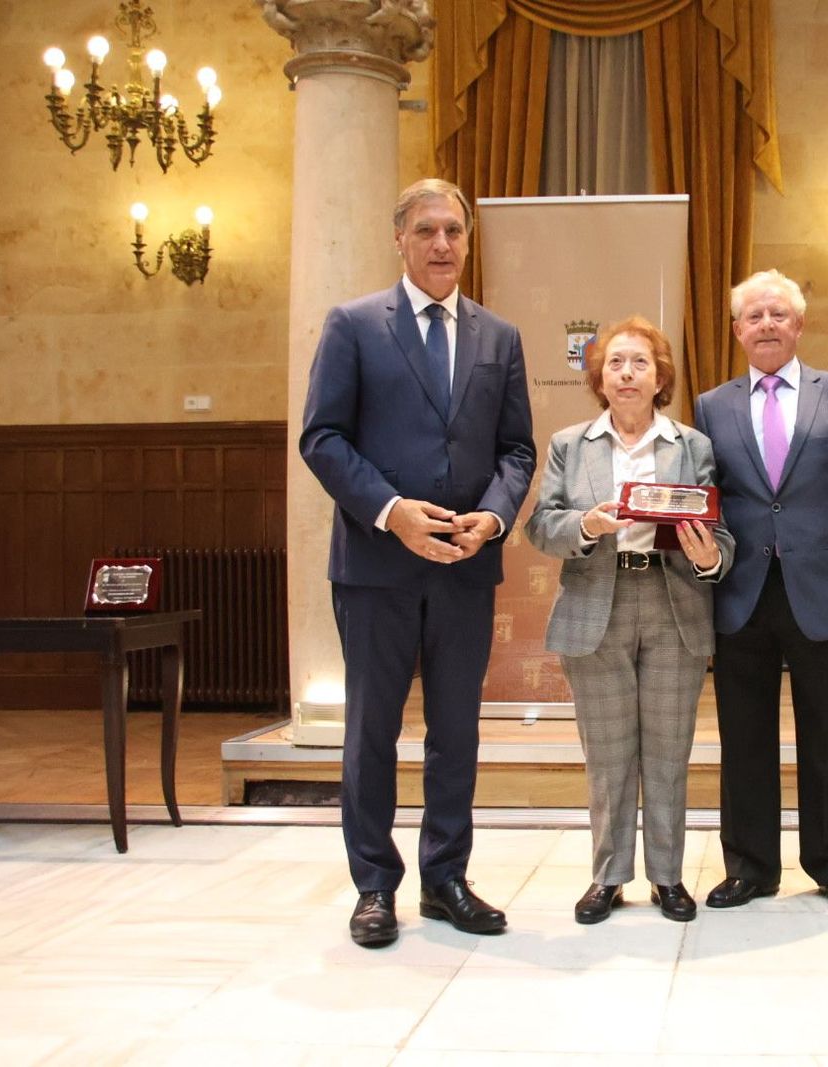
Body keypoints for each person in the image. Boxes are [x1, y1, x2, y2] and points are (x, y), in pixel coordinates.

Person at [301, 177, 536, 947]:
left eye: (455, 232)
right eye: (428, 230)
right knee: (371, 729)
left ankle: (445, 879)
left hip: (465, 568)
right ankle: (374, 883)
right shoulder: (355, 324)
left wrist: (495, 515)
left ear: (470, 241)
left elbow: (516, 448)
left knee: (456, 731)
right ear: (399, 239)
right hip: (376, 567)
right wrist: (392, 511)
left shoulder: (499, 337)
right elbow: (323, 437)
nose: (443, 244)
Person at [694, 269, 828, 913]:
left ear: (799, 325)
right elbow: (706, 503)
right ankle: (750, 866)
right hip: (740, 594)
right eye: (753, 316)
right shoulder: (710, 406)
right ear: (736, 331)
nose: (766, 325)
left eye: (778, 314)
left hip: (827, 593)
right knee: (744, 738)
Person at [526, 316, 734, 925]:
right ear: (599, 376)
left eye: (639, 362)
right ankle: (610, 877)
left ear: (659, 376)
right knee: (609, 753)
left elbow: (717, 527)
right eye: (615, 363)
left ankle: (668, 877)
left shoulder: (690, 445)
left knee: (670, 750)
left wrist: (711, 556)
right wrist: (587, 526)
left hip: (674, 606)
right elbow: (541, 525)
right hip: (598, 604)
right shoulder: (570, 443)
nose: (626, 373)